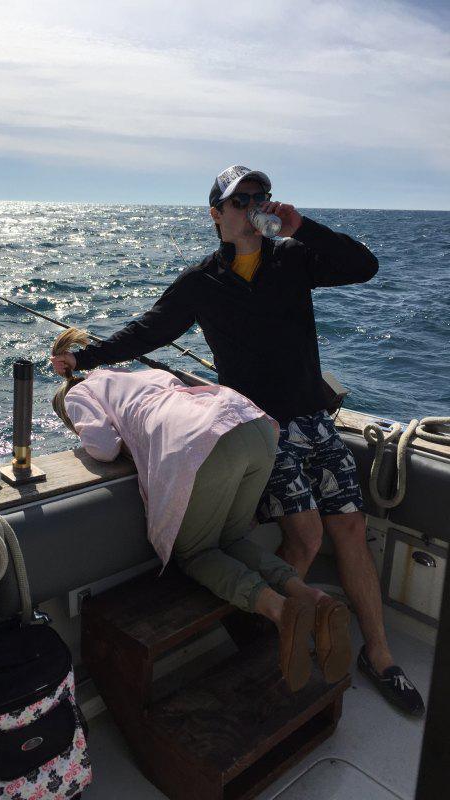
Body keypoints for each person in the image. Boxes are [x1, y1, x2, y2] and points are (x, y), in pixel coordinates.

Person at [50, 165, 424, 716]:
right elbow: (148, 331)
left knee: (350, 526)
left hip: (315, 418)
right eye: (241, 200)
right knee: (306, 537)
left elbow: (363, 266)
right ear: (216, 214)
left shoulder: (293, 258)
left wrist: (303, 227)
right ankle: (269, 648)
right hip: (258, 426)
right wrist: (83, 358)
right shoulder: (201, 282)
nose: (254, 208)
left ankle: (382, 655)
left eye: (261, 197)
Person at [51, 327, 352, 693]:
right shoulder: (143, 375)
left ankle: (281, 611)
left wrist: (101, 439)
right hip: (254, 426)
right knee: (232, 539)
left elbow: (103, 447)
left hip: (205, 444)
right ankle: (314, 598)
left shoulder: (77, 393)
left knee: (196, 553)